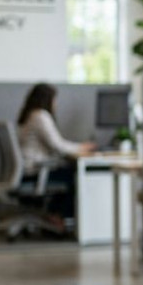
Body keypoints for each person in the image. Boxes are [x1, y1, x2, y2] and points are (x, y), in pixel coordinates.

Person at [15, 82, 95, 220]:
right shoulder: (40, 116)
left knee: (68, 171)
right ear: (47, 99)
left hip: (27, 171)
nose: (55, 104)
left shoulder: (30, 115)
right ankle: (57, 216)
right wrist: (82, 147)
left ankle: (54, 215)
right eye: (54, 99)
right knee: (76, 176)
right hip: (36, 172)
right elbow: (58, 145)